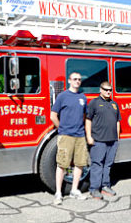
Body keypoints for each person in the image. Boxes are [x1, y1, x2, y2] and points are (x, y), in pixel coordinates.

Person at [50, 72, 88, 205]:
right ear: (69, 81)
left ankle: (74, 190)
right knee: (62, 164)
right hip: (66, 135)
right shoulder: (62, 96)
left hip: (80, 135)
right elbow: (53, 115)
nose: (77, 81)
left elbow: (84, 116)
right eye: (75, 79)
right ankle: (58, 193)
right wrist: (61, 129)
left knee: (80, 163)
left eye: (79, 79)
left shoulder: (83, 97)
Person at [85, 81, 121, 200]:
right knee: (97, 164)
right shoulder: (94, 103)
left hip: (112, 140)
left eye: (110, 90)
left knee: (108, 164)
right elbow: (88, 120)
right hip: (99, 140)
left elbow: (117, 121)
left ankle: (105, 186)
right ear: (100, 90)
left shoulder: (114, 104)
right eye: (106, 89)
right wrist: (89, 136)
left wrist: (117, 137)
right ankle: (94, 189)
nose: (108, 92)